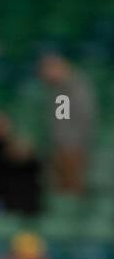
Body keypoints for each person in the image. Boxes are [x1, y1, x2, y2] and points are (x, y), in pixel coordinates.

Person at [38, 54, 97, 195]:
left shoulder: (74, 87)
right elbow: (61, 120)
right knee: (61, 189)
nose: (44, 75)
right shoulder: (59, 89)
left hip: (72, 148)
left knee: (72, 188)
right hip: (63, 146)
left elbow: (79, 120)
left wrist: (67, 148)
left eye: (46, 71)